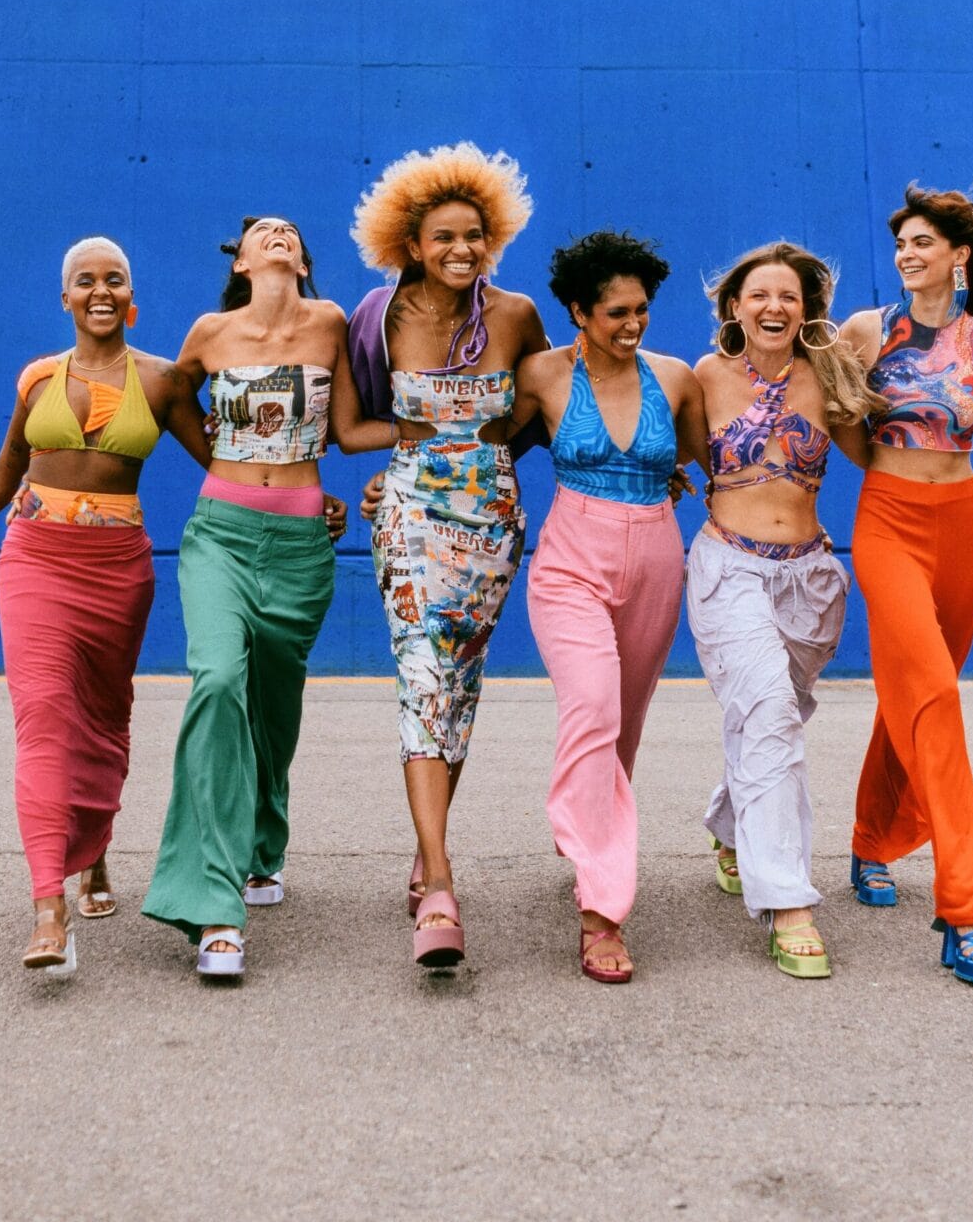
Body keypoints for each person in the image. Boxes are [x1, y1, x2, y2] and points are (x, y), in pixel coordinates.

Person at [0, 237, 215, 977]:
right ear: (64, 297)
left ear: (131, 295)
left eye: (114, 279)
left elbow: (227, 466)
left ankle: (93, 853)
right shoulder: (38, 378)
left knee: (103, 720)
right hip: (33, 559)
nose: (99, 291)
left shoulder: (162, 382)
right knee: (42, 720)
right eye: (83, 281)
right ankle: (48, 905)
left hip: (118, 573)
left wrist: (305, 497)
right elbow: (1, 476)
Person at [142, 216, 383, 980]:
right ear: (241, 260)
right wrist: (220, 459)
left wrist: (430, 428)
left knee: (274, 705)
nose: (277, 236)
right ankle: (213, 906)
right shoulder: (210, 332)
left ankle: (262, 844)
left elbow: (344, 429)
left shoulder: (331, 322)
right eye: (262, 234)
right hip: (219, 534)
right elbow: (173, 398)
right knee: (217, 682)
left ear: (303, 260)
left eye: (289, 233)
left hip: (302, 544)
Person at [840, 185, 973, 988]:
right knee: (934, 693)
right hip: (887, 524)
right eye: (902, 243)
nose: (907, 253)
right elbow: (829, 409)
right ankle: (969, 908)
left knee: (916, 690)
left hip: (964, 527)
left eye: (924, 242)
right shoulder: (869, 330)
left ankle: (871, 837)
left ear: (958, 256)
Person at [348, 143, 546, 968]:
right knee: (423, 677)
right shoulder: (377, 317)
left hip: (492, 518)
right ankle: (439, 886)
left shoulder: (517, 315)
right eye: (443, 239)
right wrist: (413, 442)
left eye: (474, 237)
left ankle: (425, 853)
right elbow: (352, 428)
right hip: (408, 514)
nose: (461, 251)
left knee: (457, 688)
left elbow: (540, 414)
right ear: (410, 243)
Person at [511, 231, 709, 982]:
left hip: (658, 559)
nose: (633, 324)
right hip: (571, 560)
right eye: (617, 312)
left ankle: (587, 839)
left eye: (643, 310)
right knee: (592, 708)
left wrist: (669, 479)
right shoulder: (542, 375)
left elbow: (700, 460)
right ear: (578, 311)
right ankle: (601, 914)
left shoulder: (676, 377)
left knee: (621, 730)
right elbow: (480, 444)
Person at [685, 242, 880, 978]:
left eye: (789, 297)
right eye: (759, 295)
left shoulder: (828, 375)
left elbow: (871, 456)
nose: (774, 307)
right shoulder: (704, 377)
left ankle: (731, 825)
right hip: (728, 567)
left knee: (779, 712)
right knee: (765, 709)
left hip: (810, 578)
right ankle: (788, 902)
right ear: (734, 307)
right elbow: (674, 452)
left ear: (807, 310)